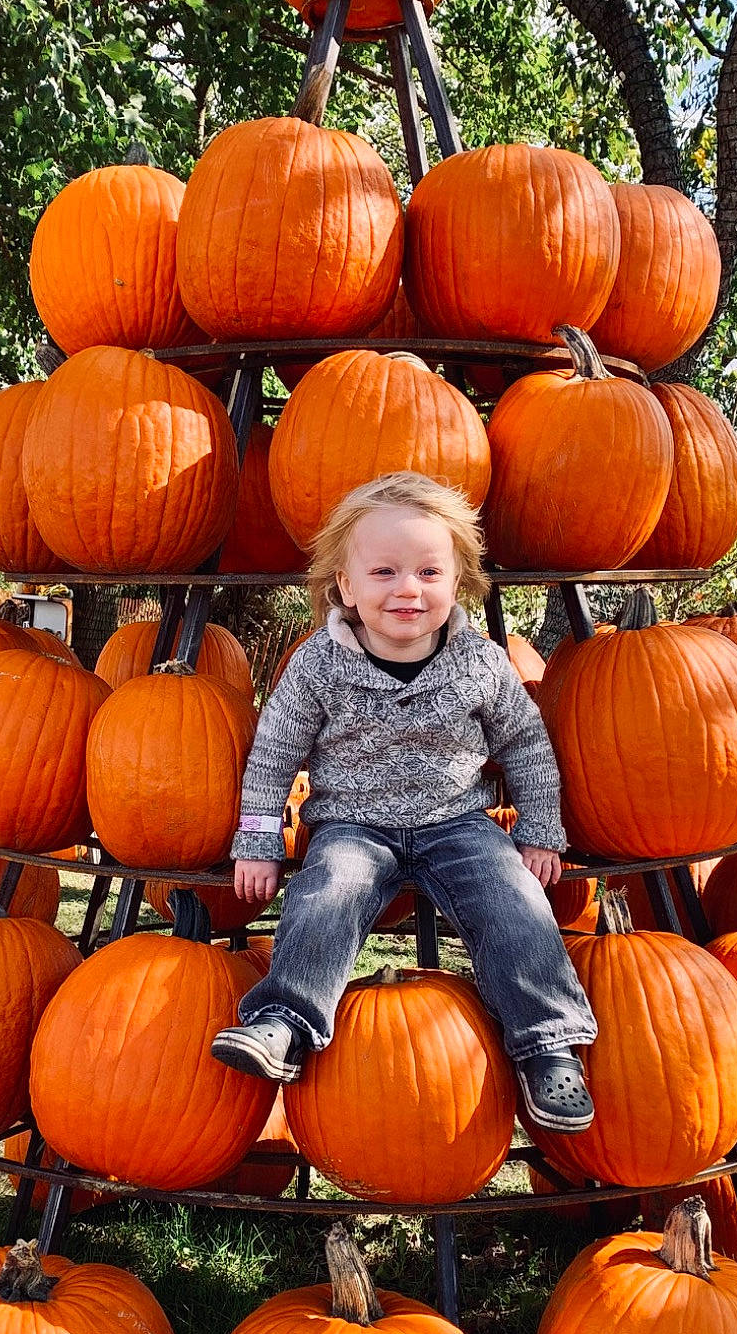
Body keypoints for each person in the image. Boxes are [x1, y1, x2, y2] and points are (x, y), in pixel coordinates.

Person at [210, 471, 598, 1131]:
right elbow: (272, 757)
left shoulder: (480, 662)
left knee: (513, 899)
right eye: (385, 572)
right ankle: (285, 1020)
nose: (408, 589)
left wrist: (539, 828)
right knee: (326, 891)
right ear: (346, 586)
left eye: (428, 572)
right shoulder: (317, 664)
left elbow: (527, 745)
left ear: (458, 581)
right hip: (352, 824)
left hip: (458, 821)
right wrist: (256, 839)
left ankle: (548, 1044)